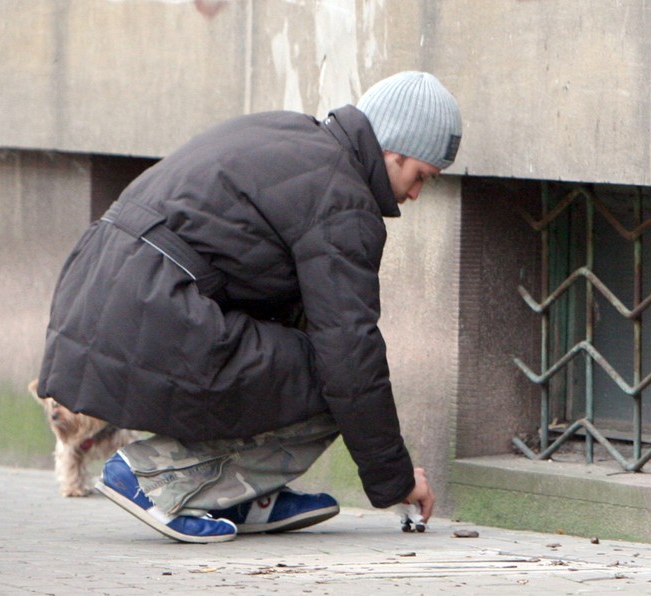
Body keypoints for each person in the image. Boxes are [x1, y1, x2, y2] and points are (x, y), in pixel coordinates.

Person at [36, 71, 462, 543]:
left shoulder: (287, 132)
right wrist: (396, 480)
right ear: (392, 149)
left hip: (99, 294)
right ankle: (157, 477)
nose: (417, 194)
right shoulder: (342, 199)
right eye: (420, 176)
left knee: (301, 351)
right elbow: (349, 355)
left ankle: (239, 494)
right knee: (335, 376)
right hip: (155, 307)